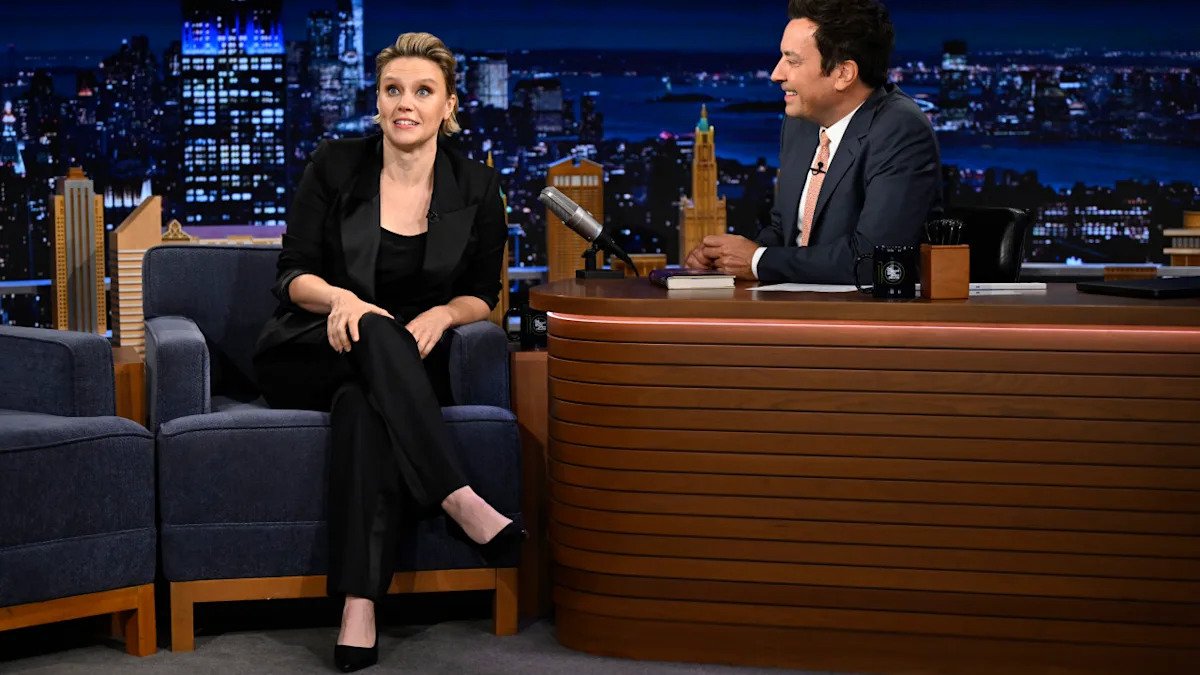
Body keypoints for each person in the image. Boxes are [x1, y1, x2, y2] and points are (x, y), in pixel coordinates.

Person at [252, 32, 519, 673]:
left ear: (448, 107)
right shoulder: (336, 164)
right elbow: (291, 275)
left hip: (399, 370)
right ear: (376, 102)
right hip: (310, 348)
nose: (406, 103)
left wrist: (443, 314)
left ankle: (358, 606)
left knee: (363, 409)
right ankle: (456, 494)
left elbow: (483, 295)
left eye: (423, 91)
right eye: (392, 90)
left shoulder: (477, 186)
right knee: (373, 328)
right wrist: (342, 299)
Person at [685, 0, 942, 284]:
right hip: (794, 301)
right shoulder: (801, 123)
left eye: (792, 61)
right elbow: (785, 232)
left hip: (863, 309)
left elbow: (875, 260)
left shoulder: (900, 130)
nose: (776, 74)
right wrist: (725, 257)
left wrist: (758, 261)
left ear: (843, 73)